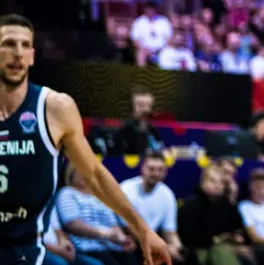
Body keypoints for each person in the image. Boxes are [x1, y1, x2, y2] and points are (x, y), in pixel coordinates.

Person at [0, 14, 171, 265]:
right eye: (8, 44)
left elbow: (94, 175)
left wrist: (143, 230)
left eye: (25, 45)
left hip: (26, 251)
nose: (18, 53)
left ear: (32, 56)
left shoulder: (55, 108)